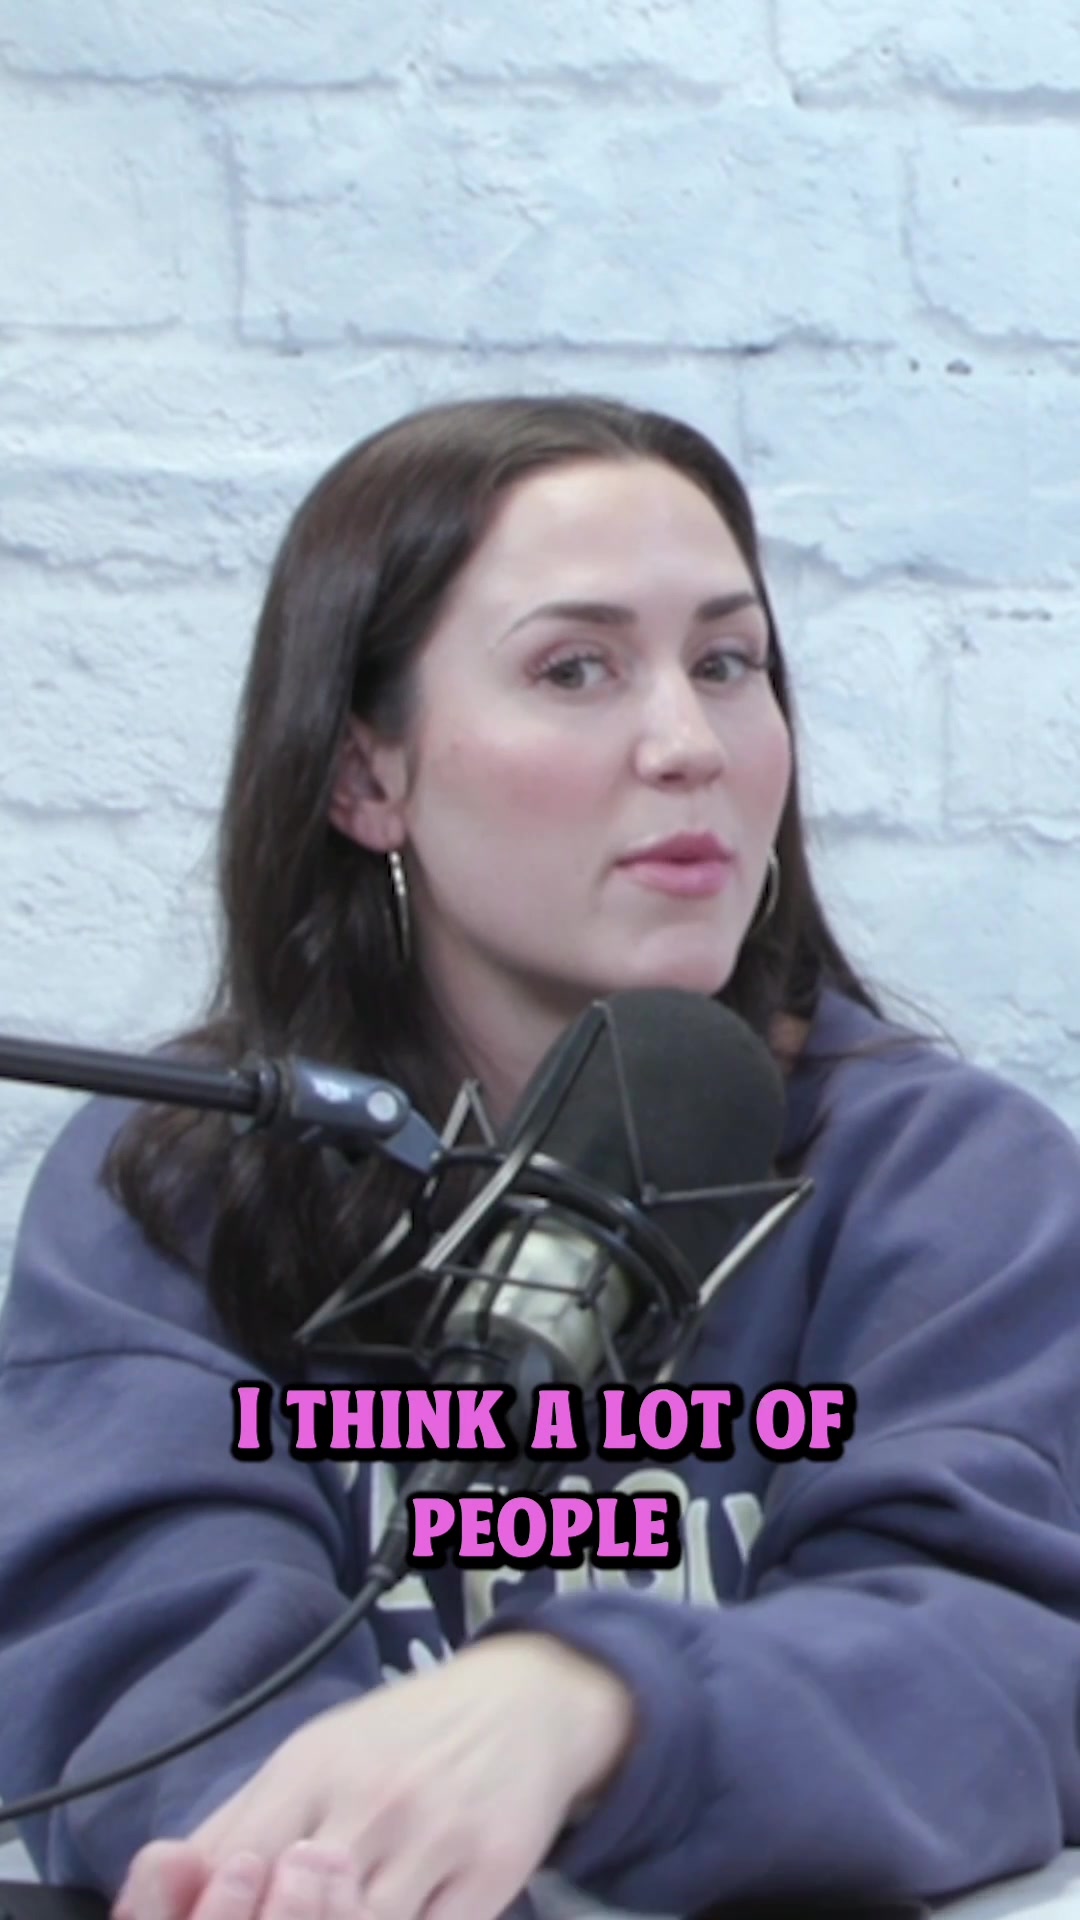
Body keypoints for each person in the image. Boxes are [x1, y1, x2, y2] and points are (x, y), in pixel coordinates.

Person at [2, 394, 1080, 1920]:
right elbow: (145, 1691)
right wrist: (343, 1857)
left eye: (728, 663)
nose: (688, 745)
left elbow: (1005, 1662)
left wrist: (591, 1708)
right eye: (575, 669)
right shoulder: (171, 1185)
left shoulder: (952, 1182)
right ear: (365, 776)